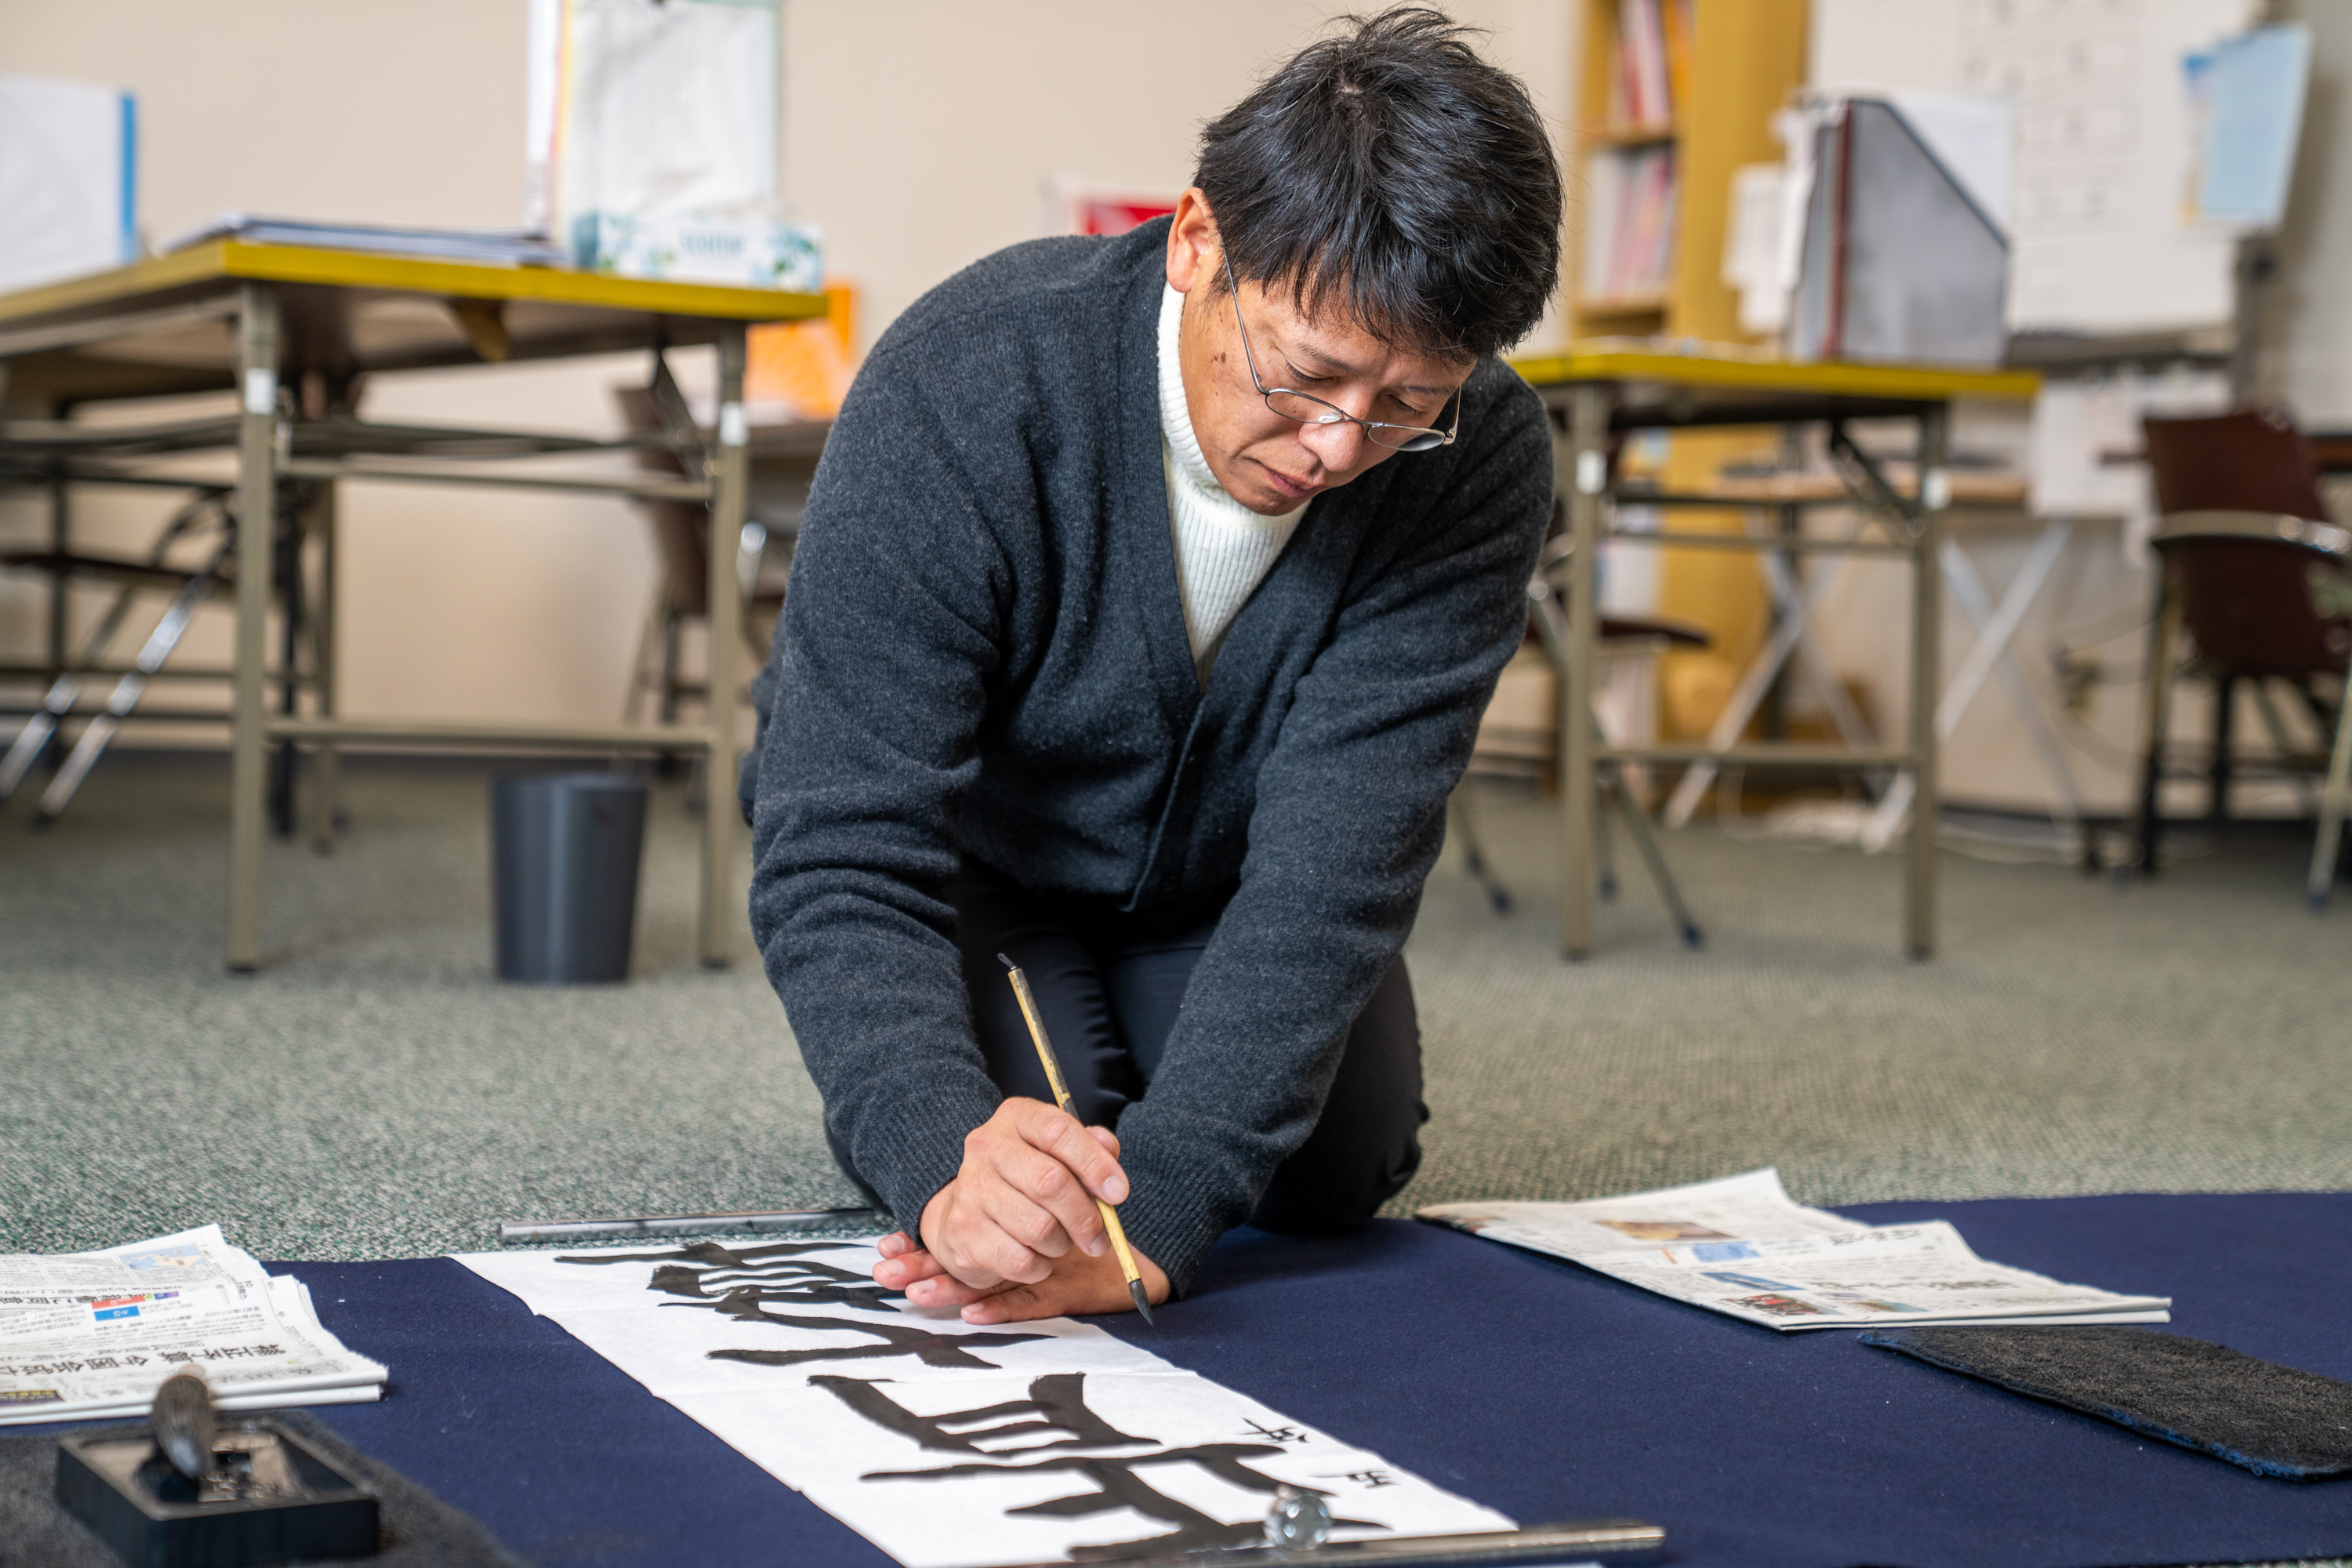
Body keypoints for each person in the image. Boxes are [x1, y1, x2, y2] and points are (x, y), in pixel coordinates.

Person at [744, 7, 1563, 1323]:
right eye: (1305, 375)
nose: (1339, 448)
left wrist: (1171, 1212)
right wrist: (937, 1153)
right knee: (1025, 1169)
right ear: (1196, 242)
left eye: (1407, 405)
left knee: (1334, 1169)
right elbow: (839, 840)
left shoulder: (1482, 456)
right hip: (978, 861)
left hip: (1217, 874)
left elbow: (1342, 865)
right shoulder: (969, 379)